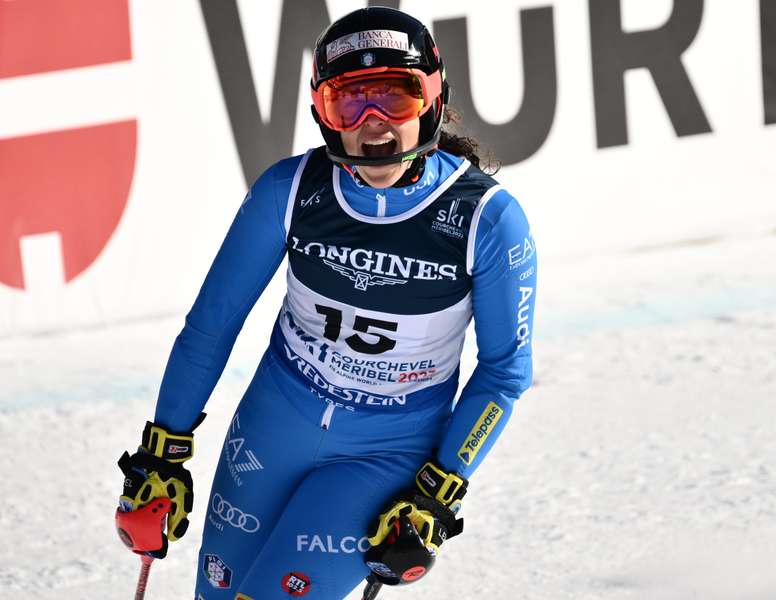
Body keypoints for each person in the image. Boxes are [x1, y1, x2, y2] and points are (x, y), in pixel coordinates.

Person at [116, 7, 536, 599]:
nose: (374, 123)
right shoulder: (290, 190)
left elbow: (504, 372)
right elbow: (211, 327)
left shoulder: (486, 220)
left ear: (434, 100)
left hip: (386, 452)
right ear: (323, 113)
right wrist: (164, 451)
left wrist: (438, 489)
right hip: (272, 427)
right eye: (349, 102)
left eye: (397, 99)